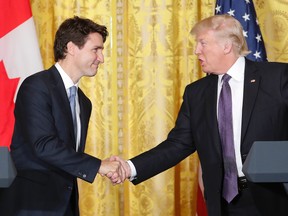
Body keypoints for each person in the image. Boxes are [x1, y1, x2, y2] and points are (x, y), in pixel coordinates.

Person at [110, 14, 288, 216]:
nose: (196, 51)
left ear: (227, 46)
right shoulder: (196, 93)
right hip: (221, 204)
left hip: (274, 200)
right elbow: (178, 144)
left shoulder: (277, 78)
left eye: (203, 43)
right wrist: (130, 167)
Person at [0, 16, 124, 216]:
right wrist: (99, 166)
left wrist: (102, 165)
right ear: (71, 48)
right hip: (31, 206)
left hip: (65, 206)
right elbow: (44, 145)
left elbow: (67, 154)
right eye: (96, 50)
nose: (101, 58)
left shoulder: (84, 102)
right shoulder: (36, 86)